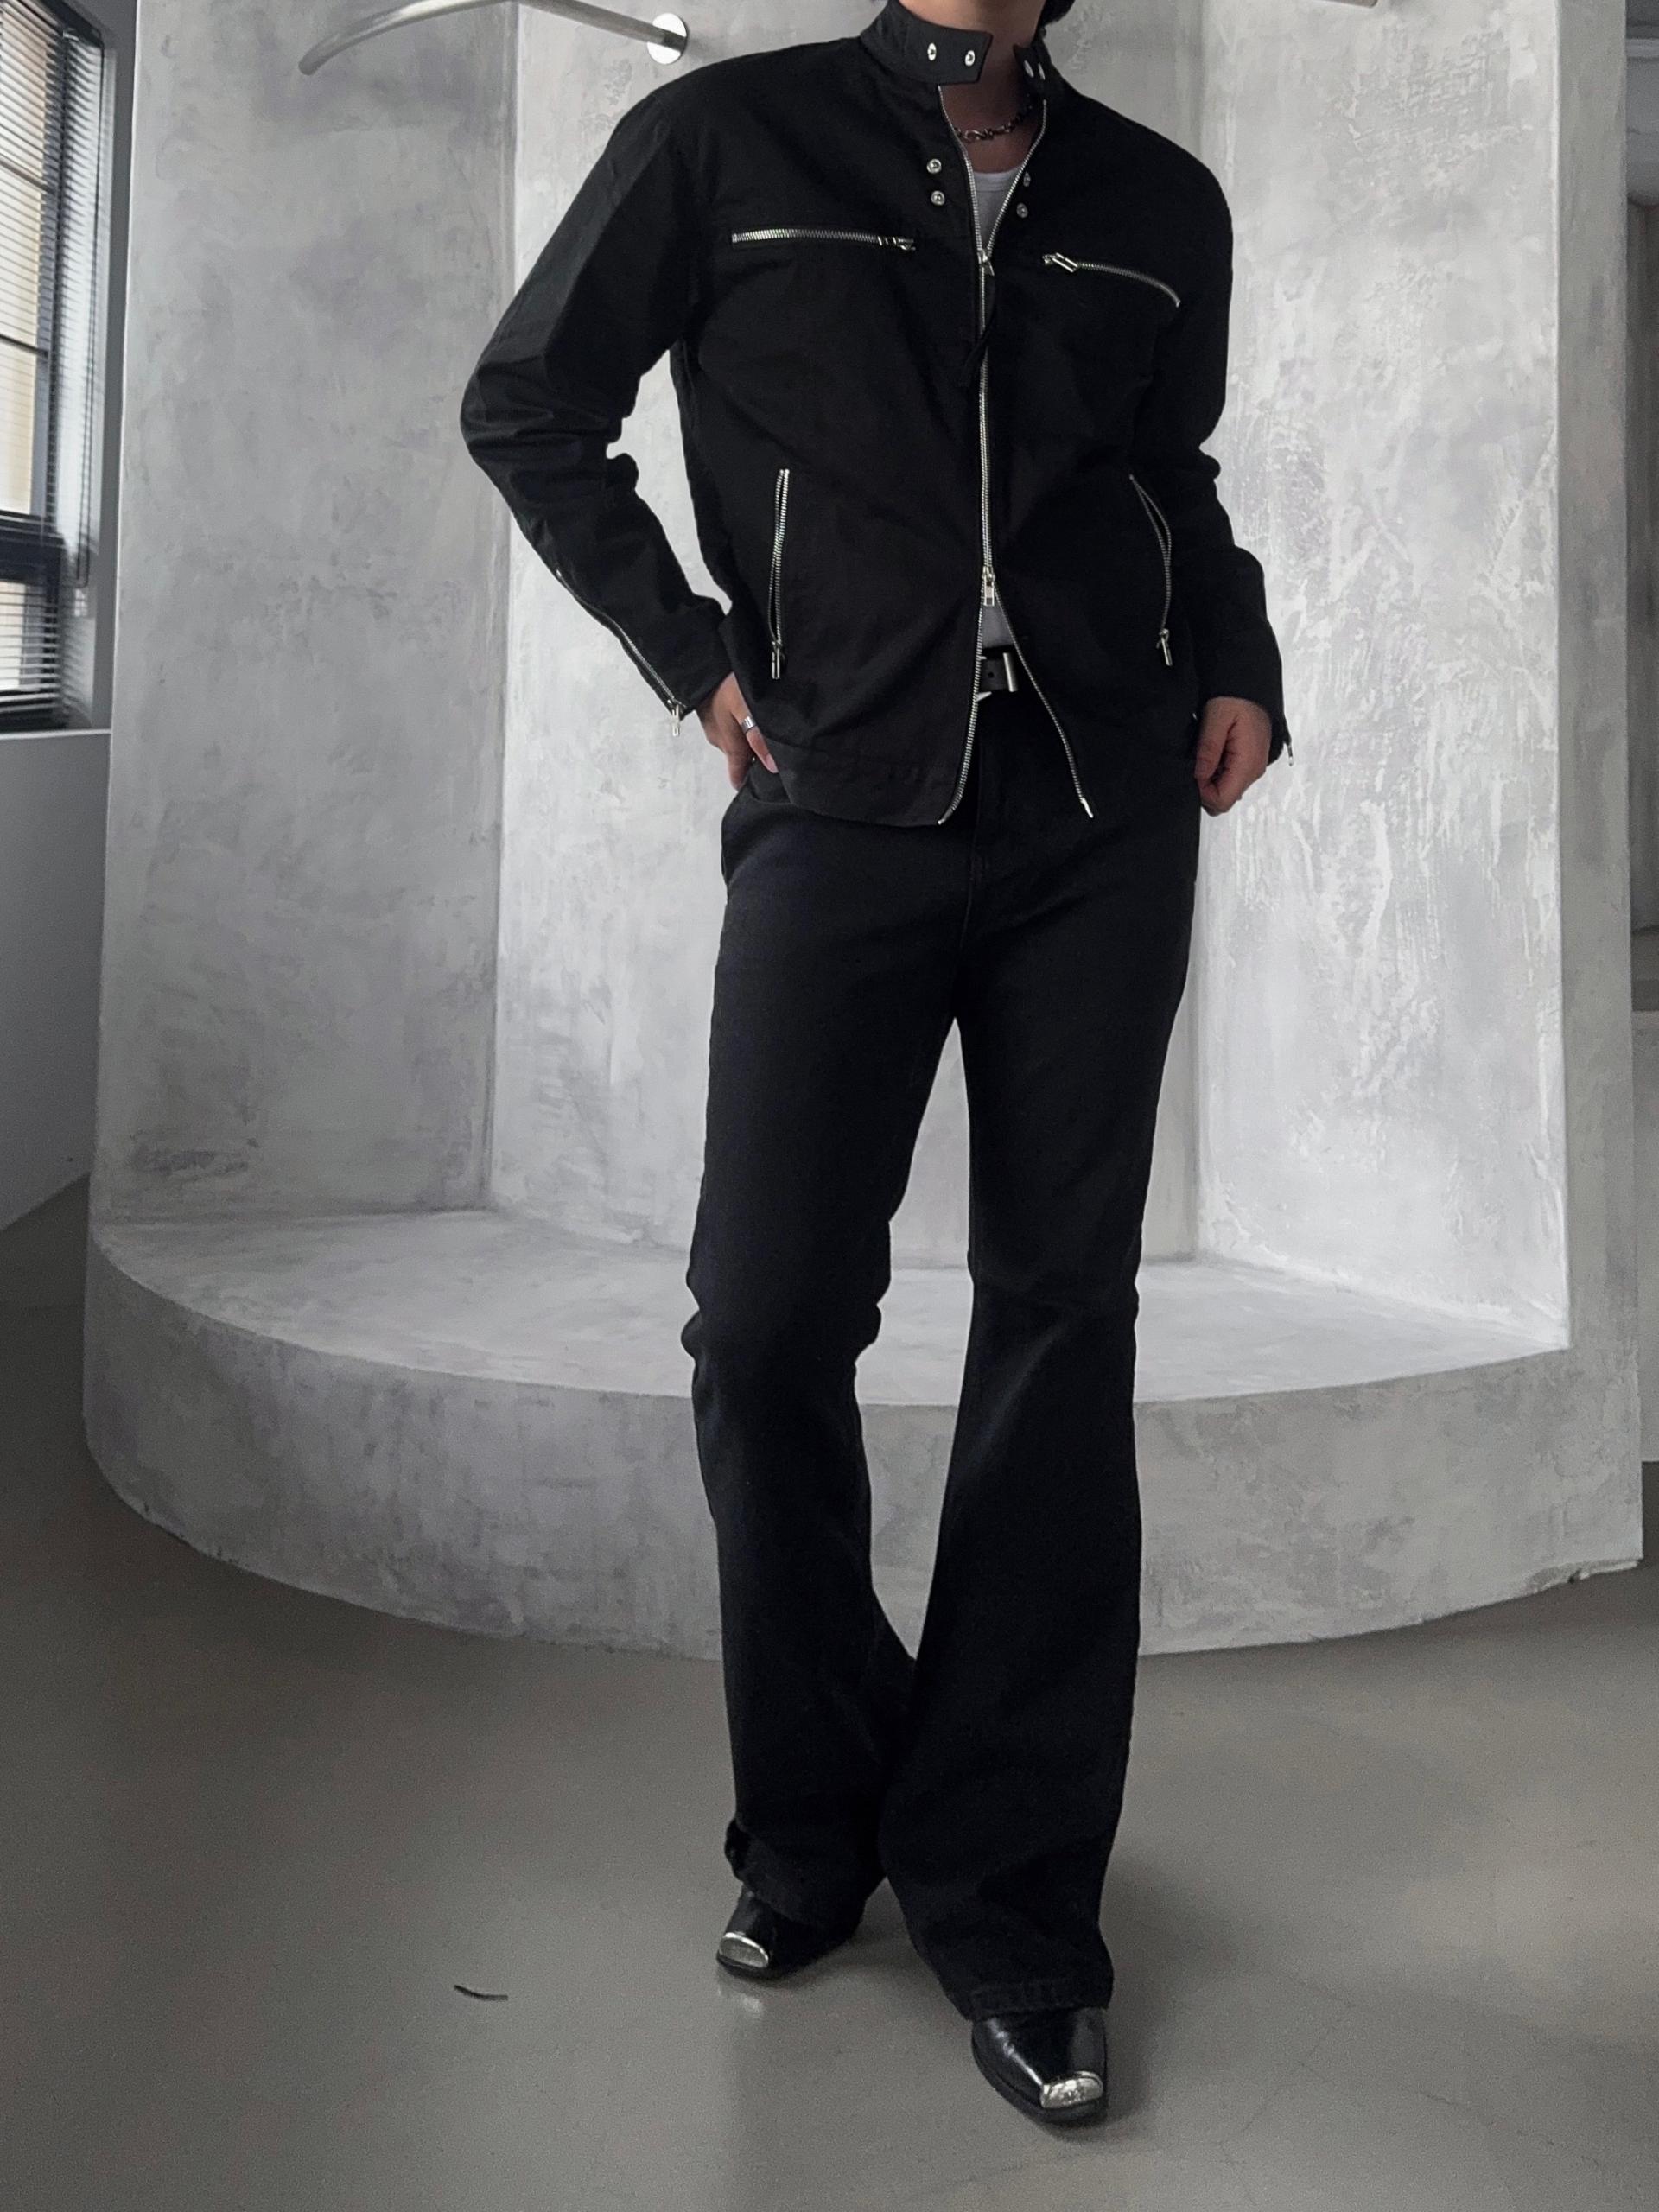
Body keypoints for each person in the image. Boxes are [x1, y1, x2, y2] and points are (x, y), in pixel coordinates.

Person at [460, 0, 1290, 2128]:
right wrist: (689, 651)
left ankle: (1014, 1902)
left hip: (1100, 812)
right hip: (838, 793)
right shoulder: (725, 143)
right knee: (762, 1321)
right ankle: (821, 1817)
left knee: (1059, 1322)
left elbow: (1171, 476)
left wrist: (1240, 657)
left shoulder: (1157, 200)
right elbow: (529, 401)